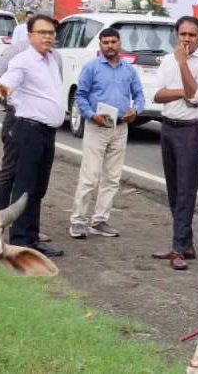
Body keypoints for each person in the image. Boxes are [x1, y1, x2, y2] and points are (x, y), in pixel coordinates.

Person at [0, 14, 65, 258]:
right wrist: (3, 89)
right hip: (28, 129)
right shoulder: (23, 60)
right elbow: (8, 80)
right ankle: (21, 240)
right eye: (42, 32)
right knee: (24, 186)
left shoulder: (52, 59)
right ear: (30, 35)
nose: (47, 37)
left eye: (51, 33)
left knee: (38, 187)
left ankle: (32, 237)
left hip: (46, 131)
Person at [151, 16, 198, 270]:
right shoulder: (167, 59)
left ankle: (178, 248)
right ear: (176, 35)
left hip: (191, 130)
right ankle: (185, 243)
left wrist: (183, 65)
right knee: (173, 189)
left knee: (186, 191)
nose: (186, 40)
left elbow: (197, 96)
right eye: (182, 34)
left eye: (191, 35)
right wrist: (182, 92)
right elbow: (158, 95)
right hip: (168, 126)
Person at [68, 28, 145, 239]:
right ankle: (78, 221)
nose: (109, 46)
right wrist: (91, 115)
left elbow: (139, 96)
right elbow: (80, 95)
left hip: (120, 128)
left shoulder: (129, 70)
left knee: (112, 177)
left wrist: (135, 110)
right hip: (97, 127)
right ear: (100, 45)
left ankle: (100, 220)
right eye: (105, 42)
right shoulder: (91, 68)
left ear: (119, 43)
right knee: (90, 176)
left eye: (113, 42)